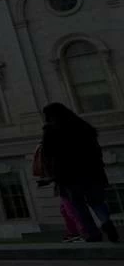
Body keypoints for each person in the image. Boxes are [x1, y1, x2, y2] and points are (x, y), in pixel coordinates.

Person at [41, 102, 120, 243]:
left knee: (79, 206)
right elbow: (96, 150)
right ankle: (106, 222)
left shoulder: (52, 130)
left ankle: (93, 233)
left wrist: (52, 173)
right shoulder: (82, 126)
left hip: (68, 174)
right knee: (96, 202)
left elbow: (48, 154)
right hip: (91, 171)